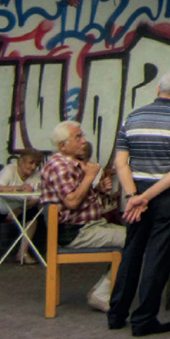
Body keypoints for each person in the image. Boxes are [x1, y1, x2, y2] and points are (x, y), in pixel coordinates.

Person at [108, 69, 170, 337]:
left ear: (158, 89)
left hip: (135, 192)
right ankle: (144, 319)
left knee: (132, 250)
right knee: (158, 256)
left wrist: (133, 196)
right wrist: (147, 197)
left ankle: (116, 314)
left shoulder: (132, 118)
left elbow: (120, 163)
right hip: (167, 195)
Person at [41, 120, 125, 310]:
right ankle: (102, 293)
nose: (84, 141)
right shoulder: (59, 166)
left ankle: (101, 291)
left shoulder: (71, 164)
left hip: (89, 227)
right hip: (76, 232)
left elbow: (78, 195)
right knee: (134, 240)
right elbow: (71, 201)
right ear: (63, 145)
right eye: (78, 137)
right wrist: (89, 177)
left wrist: (98, 189)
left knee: (134, 237)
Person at [0, 148, 44, 269]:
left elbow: (35, 199)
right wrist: (20, 188)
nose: (33, 167)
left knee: (32, 216)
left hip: (15, 208)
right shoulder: (10, 170)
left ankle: (22, 253)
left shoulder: (36, 175)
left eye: (36, 164)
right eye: (30, 163)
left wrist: (21, 209)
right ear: (21, 161)